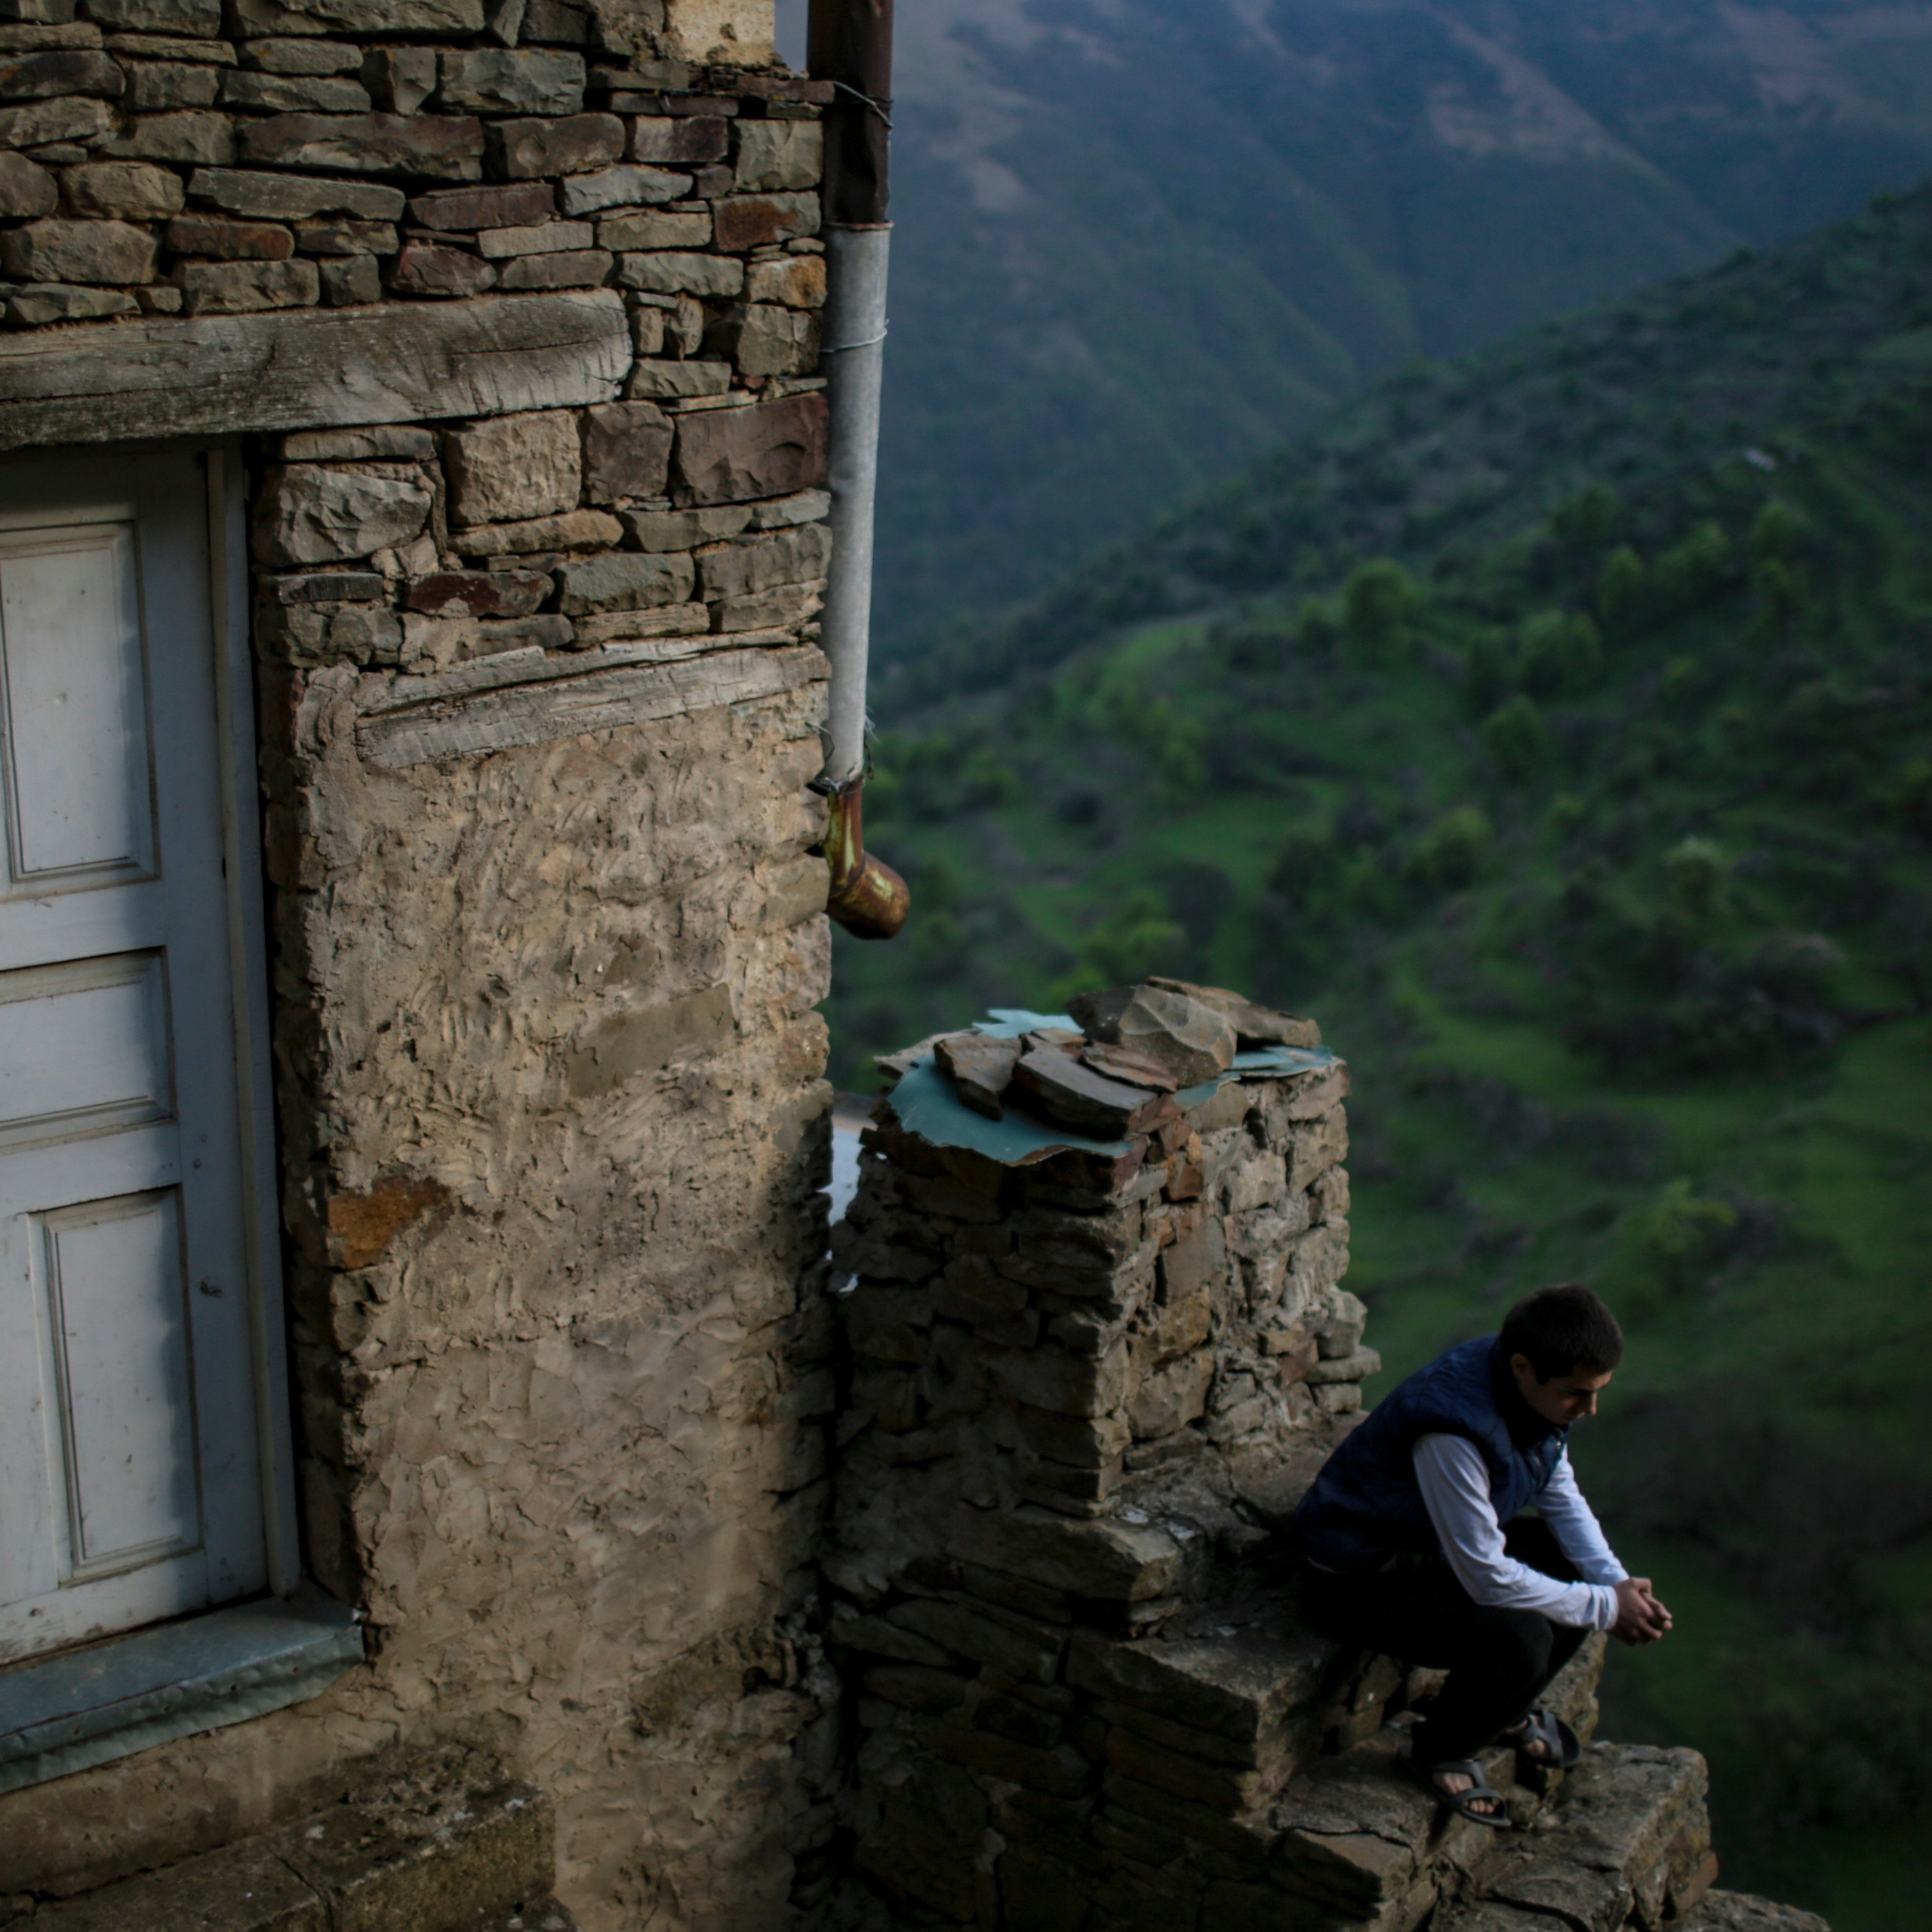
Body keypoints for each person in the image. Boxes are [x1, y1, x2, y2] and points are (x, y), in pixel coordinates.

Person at [1294, 1284, 1673, 1825]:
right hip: (1357, 1577)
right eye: (1576, 1393)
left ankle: (1506, 1712)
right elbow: (1486, 1579)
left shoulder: (1529, 1394)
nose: (1589, 1409)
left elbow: (1557, 1492)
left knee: (1569, 1569)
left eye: (1596, 1392)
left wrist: (1613, 1582)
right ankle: (1442, 1750)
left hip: (1421, 1544)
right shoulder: (1453, 1428)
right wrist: (1609, 1609)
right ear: (1523, 1367)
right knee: (1521, 1638)